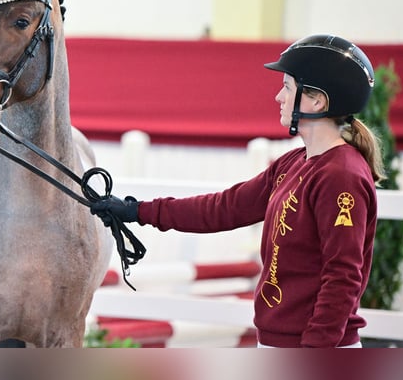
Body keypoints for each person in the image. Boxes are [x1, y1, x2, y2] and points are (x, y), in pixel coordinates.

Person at [91, 34, 384, 348]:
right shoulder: (293, 163)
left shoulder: (341, 176)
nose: (278, 97)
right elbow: (223, 208)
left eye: (287, 87)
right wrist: (138, 211)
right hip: (278, 342)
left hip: (314, 348)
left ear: (318, 101)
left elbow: (342, 277)